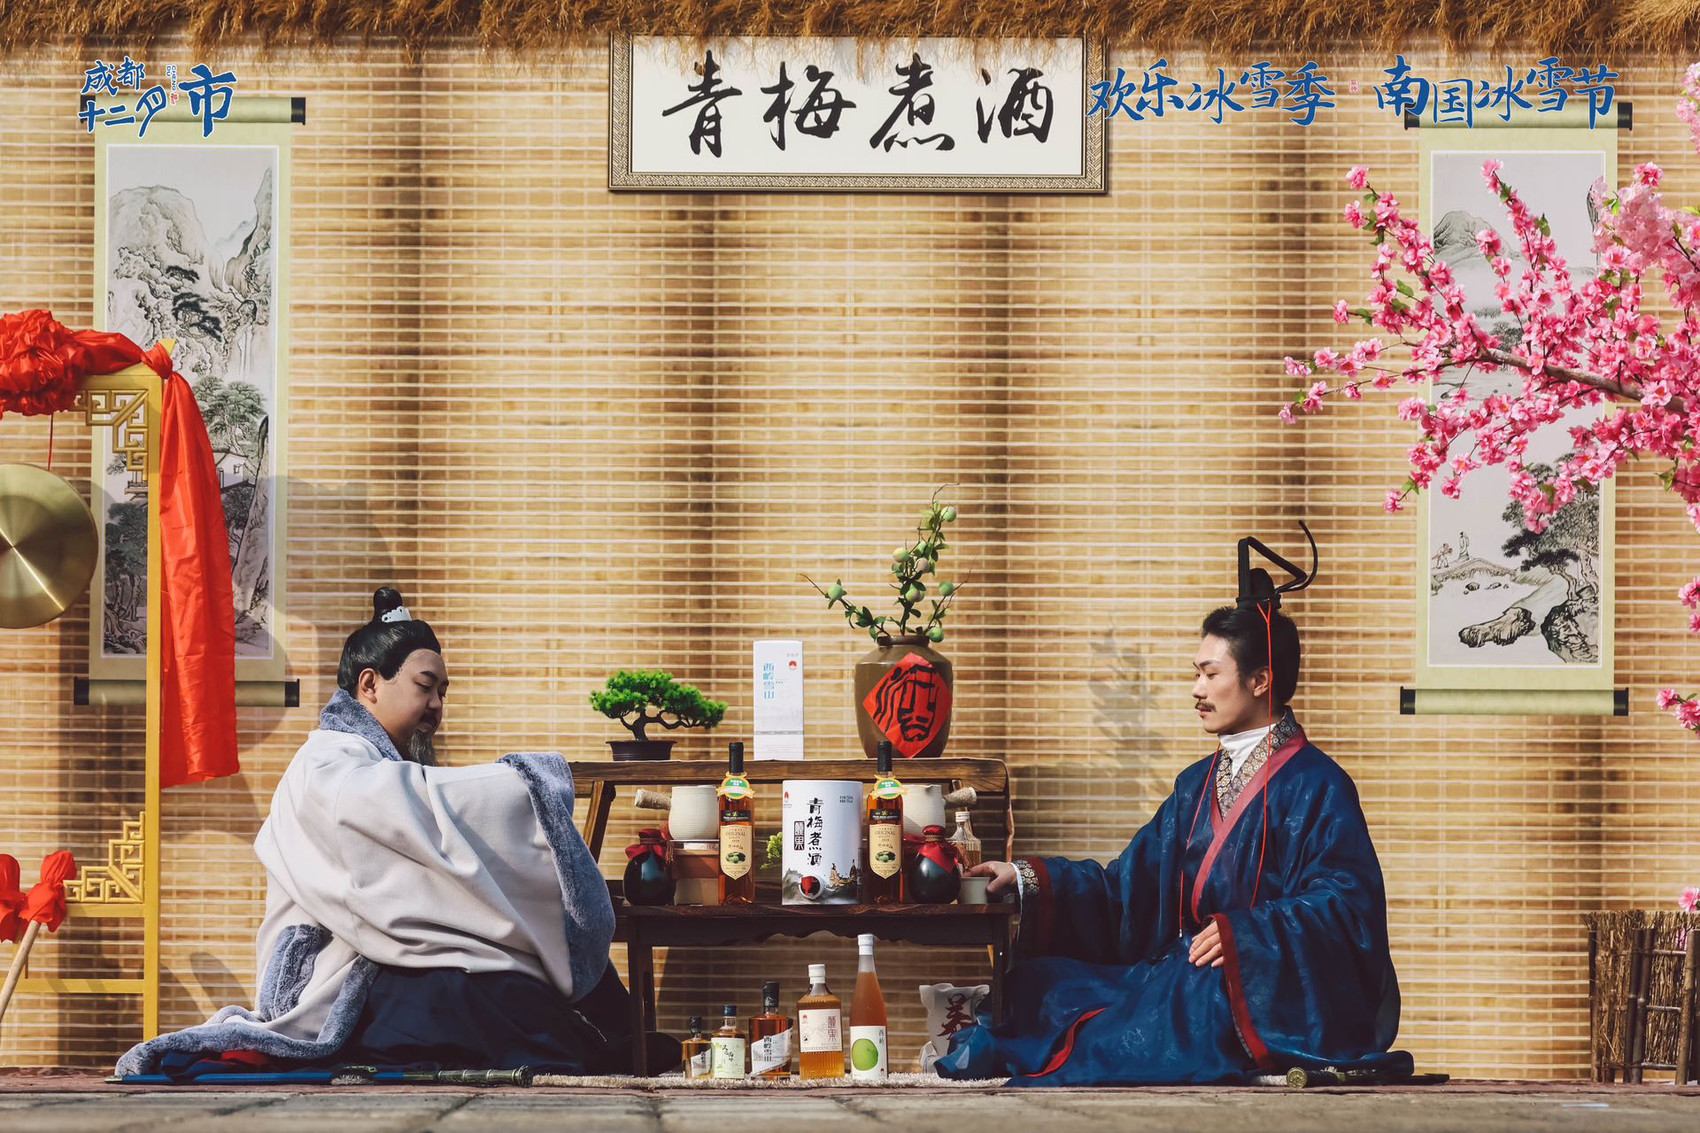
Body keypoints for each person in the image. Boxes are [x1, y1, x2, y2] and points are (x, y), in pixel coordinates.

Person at [118, 587, 652, 1078]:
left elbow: (416, 821)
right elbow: (395, 802)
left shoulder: (374, 764)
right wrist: (526, 781)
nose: (437, 706)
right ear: (370, 684)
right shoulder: (326, 765)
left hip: (380, 961)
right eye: (425, 687)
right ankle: (608, 1048)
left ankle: (618, 1043)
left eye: (443, 692)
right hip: (331, 979)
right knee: (475, 996)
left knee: (500, 982)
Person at [939, 534, 1406, 1086]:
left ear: (1260, 680)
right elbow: (1126, 891)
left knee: (1187, 1000)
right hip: (1183, 971)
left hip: (1256, 990)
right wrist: (1026, 878)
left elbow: (1347, 908)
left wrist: (1244, 937)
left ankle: (1030, 1050)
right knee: (1042, 984)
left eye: (1211, 674)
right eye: (1196, 673)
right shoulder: (1194, 786)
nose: (1196, 689)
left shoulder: (1319, 785)